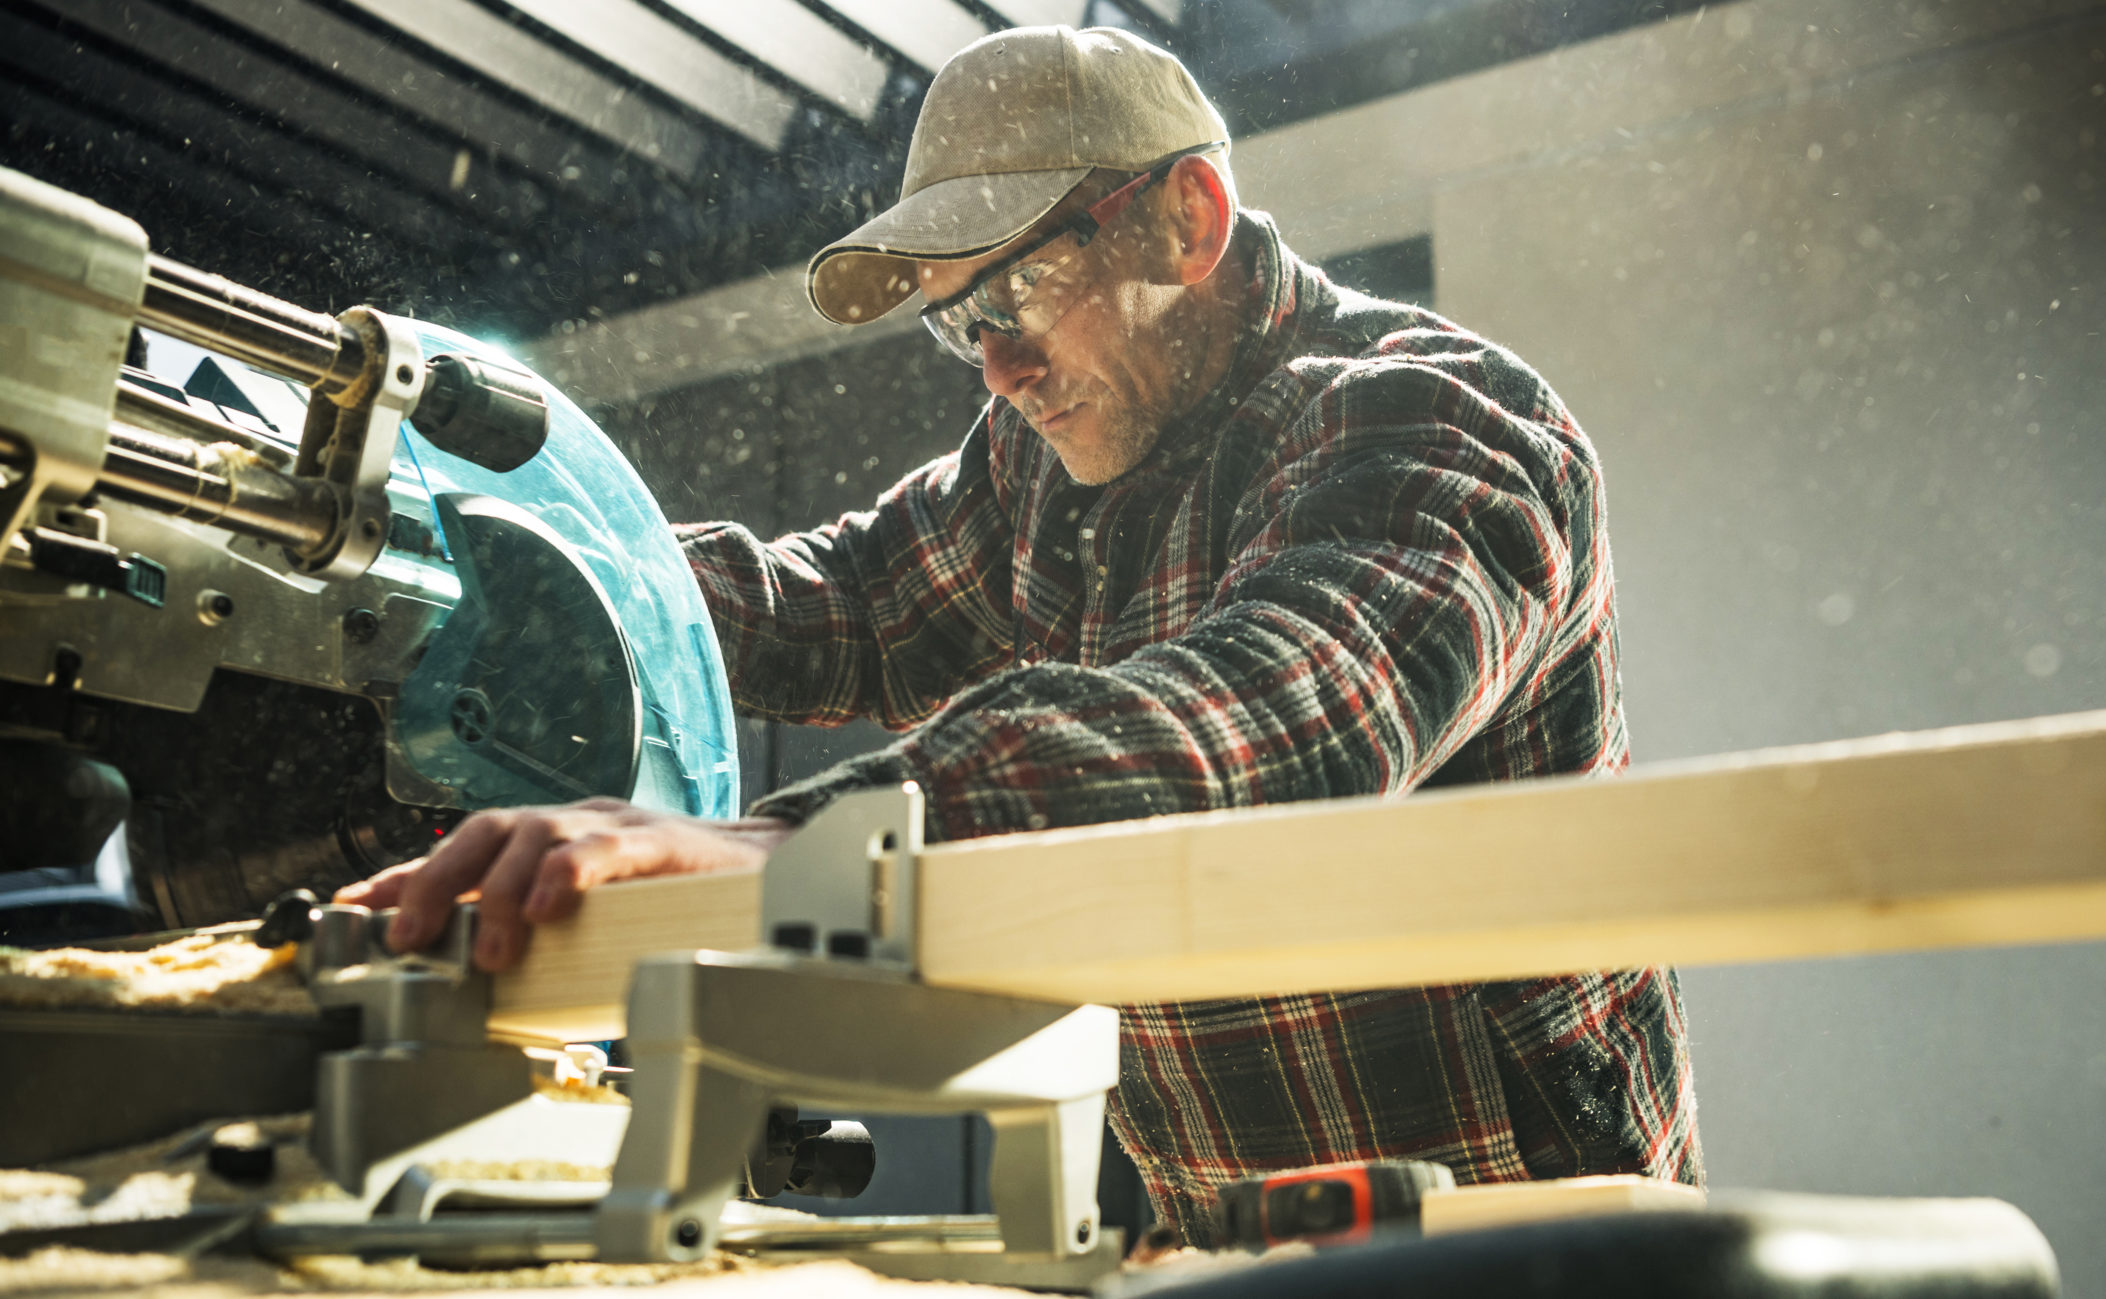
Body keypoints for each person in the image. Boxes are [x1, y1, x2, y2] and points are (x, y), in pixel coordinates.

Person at [339, 25, 1701, 1242]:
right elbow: (834, 606)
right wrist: (484, 576)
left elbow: (1271, 725)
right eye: (959, 324)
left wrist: (786, 851)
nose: (995, 367)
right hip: (1226, 1232)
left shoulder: (1441, 422)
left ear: (1190, 215)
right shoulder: (1042, 466)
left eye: (1020, 294)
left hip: (1520, 1242)